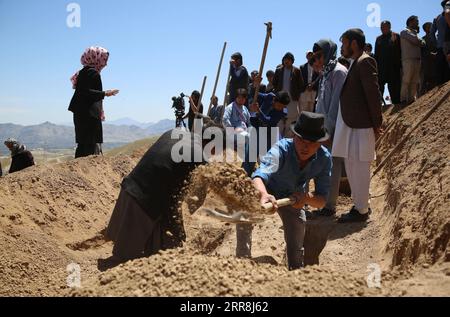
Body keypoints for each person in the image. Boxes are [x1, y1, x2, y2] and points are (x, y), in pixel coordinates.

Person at [104, 120, 226, 268]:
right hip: (144, 203)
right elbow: (191, 203)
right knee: (126, 262)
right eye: (217, 151)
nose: (216, 155)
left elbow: (169, 183)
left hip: (129, 189)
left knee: (162, 245)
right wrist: (179, 229)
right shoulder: (199, 157)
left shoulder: (176, 132)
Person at [251, 112, 332, 270]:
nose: (305, 146)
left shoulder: (324, 159)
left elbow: (322, 200)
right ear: (294, 136)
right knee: (245, 212)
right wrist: (263, 194)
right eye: (301, 140)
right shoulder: (280, 149)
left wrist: (305, 199)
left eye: (311, 142)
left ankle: (294, 273)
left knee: (297, 233)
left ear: (320, 144)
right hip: (266, 190)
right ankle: (240, 262)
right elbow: (259, 176)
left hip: (293, 197)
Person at [333, 28, 383, 223]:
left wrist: (377, 123)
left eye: (344, 43)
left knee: (359, 166)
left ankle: (361, 211)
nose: (342, 47)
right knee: (352, 165)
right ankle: (360, 205)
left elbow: (373, 95)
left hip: (361, 125)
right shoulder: (355, 63)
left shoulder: (365, 61)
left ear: (353, 43)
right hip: (353, 124)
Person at [311, 39, 349, 217]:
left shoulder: (339, 73)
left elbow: (335, 106)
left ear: (328, 53)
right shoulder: (326, 74)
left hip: (335, 129)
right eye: (314, 57)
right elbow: (321, 105)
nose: (316, 60)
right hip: (322, 128)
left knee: (333, 167)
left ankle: (330, 206)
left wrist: (327, 130)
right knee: (323, 166)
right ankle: (324, 203)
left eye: (319, 56)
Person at [69, 46, 119, 158]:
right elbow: (86, 92)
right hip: (89, 115)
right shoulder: (93, 73)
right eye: (104, 60)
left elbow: (83, 92)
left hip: (81, 113)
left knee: (83, 145)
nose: (105, 64)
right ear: (96, 58)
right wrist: (105, 93)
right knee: (90, 147)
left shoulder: (84, 72)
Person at [272, 52, 304, 138]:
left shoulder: (297, 71)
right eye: (285, 59)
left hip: (292, 99)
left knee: (291, 119)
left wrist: (296, 94)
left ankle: (288, 139)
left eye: (288, 60)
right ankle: (278, 140)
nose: (286, 61)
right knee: (279, 119)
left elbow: (301, 85)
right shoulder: (278, 70)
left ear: (292, 61)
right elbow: (274, 83)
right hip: (280, 100)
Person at [375, 21, 402, 105]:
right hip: (381, 68)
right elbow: (376, 54)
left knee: (394, 88)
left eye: (384, 27)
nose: (382, 29)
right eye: (381, 27)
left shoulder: (396, 36)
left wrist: (400, 65)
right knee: (379, 88)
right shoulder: (378, 39)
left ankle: (396, 104)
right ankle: (378, 105)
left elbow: (400, 51)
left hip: (393, 67)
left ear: (389, 27)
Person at [400, 16, 426, 105]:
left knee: (415, 81)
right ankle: (403, 99)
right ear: (410, 22)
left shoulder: (415, 33)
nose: (418, 23)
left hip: (417, 59)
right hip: (408, 59)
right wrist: (419, 41)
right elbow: (415, 40)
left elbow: (423, 43)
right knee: (407, 79)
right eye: (416, 21)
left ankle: (411, 99)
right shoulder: (404, 32)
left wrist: (419, 40)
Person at [431, 0, 450, 84]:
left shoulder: (437, 18)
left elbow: (432, 33)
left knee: (441, 69)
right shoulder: (447, 14)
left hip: (440, 46)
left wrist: (437, 44)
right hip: (448, 44)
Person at [421, 22, 438, 95]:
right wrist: (430, 54)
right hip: (427, 63)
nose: (431, 28)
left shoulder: (437, 38)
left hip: (437, 62)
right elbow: (422, 51)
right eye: (429, 27)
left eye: (432, 26)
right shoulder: (423, 39)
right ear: (425, 29)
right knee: (427, 81)